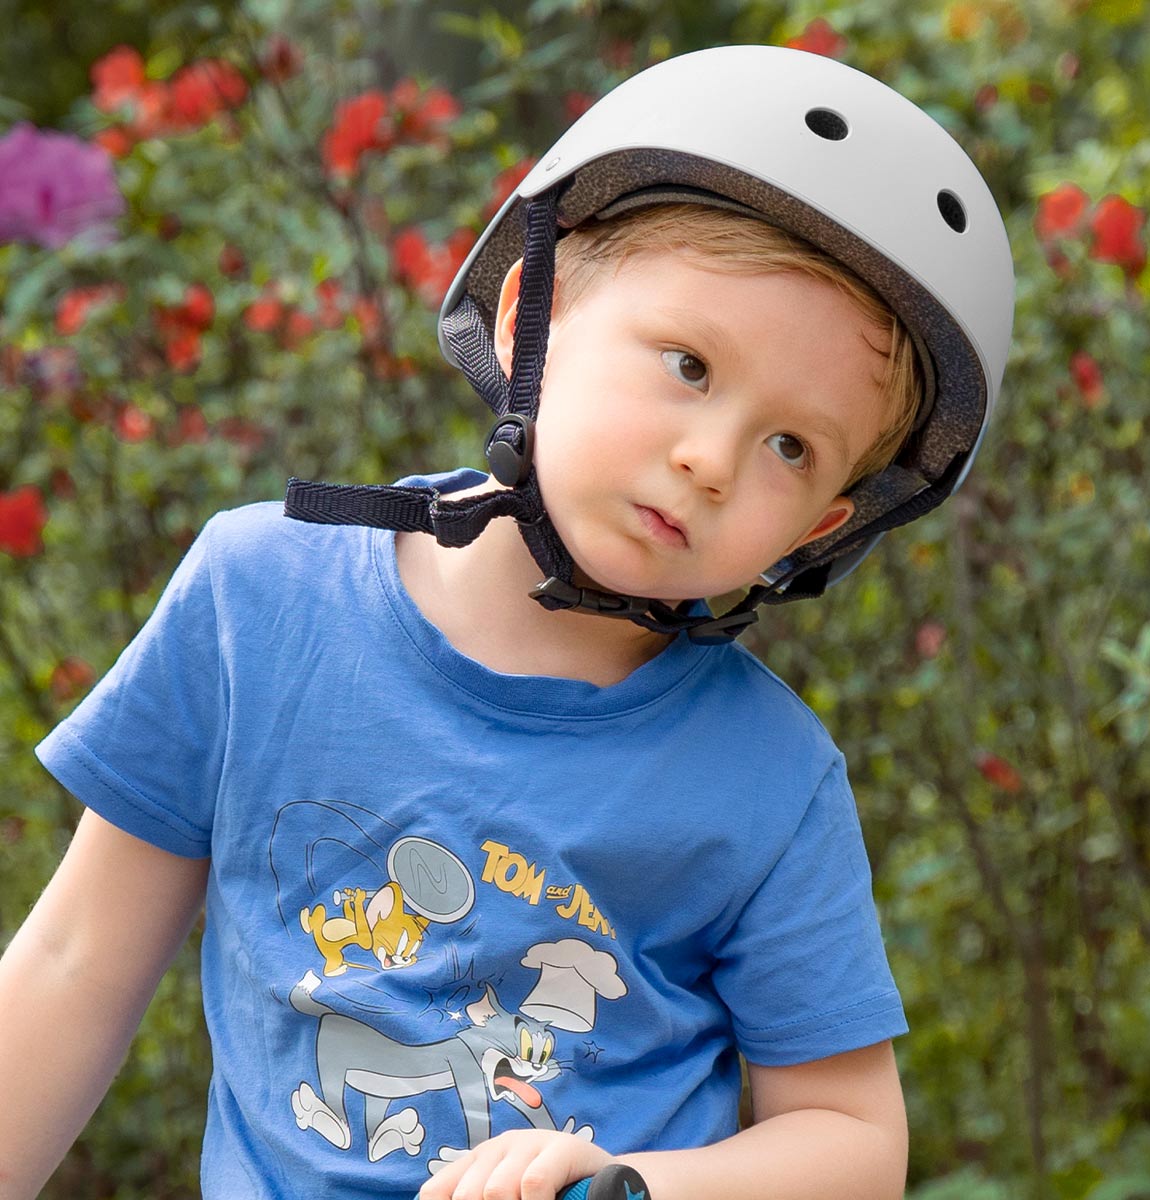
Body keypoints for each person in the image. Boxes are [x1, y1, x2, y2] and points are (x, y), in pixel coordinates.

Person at [0, 43, 1013, 1200]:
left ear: (822, 524)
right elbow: (75, 967)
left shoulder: (770, 782)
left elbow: (851, 1140)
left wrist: (628, 1182)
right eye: (688, 363)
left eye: (791, 446)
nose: (711, 458)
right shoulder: (260, 600)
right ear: (536, 314)